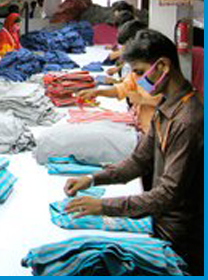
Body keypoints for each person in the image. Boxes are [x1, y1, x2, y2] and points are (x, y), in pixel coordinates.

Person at [64, 30, 203, 275]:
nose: (137, 81)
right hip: (162, 226)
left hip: (180, 242)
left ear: (163, 66)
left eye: (139, 72)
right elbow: (139, 161)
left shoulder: (186, 121)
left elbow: (167, 194)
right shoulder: (166, 106)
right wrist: (92, 179)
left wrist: (104, 206)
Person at [77, 20, 159, 134]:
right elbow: (123, 88)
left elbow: (172, 102)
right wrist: (97, 92)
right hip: (143, 127)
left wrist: (143, 100)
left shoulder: (159, 75)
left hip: (156, 131)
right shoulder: (137, 74)